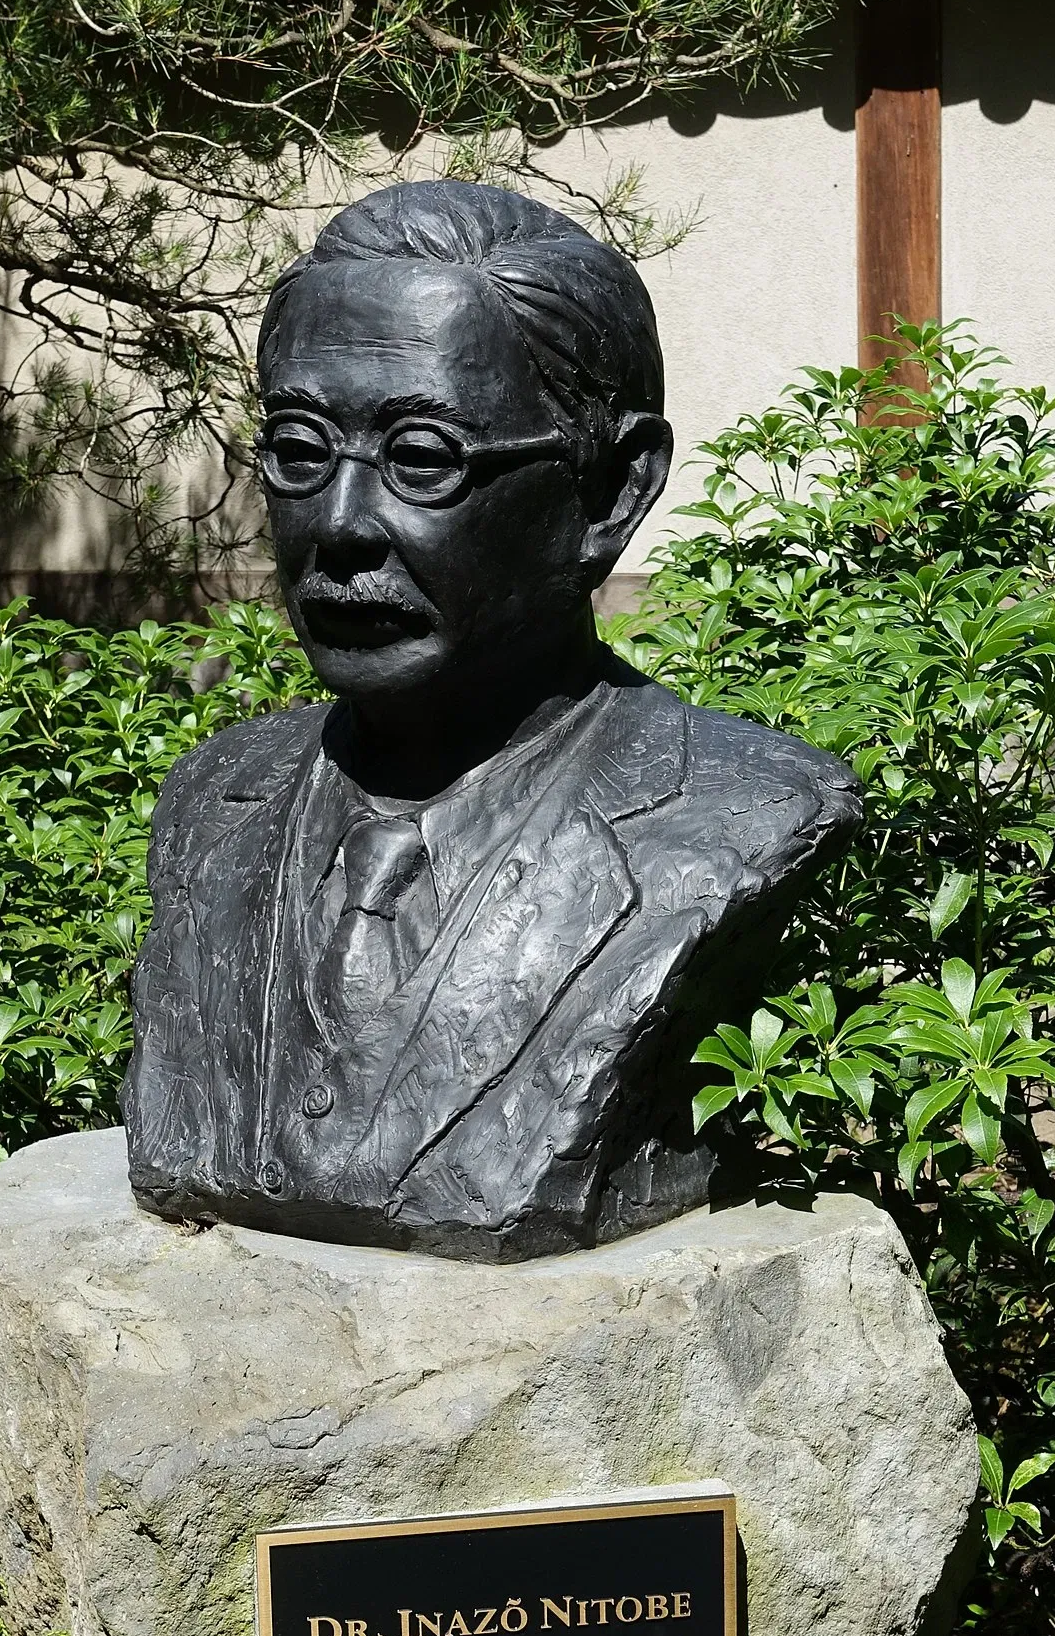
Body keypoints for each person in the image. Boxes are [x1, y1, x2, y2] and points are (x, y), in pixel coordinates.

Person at [122, 181, 860, 1259]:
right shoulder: (209, 802)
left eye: (422, 459)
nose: (339, 524)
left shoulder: (739, 812)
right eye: (298, 448)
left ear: (610, 489)